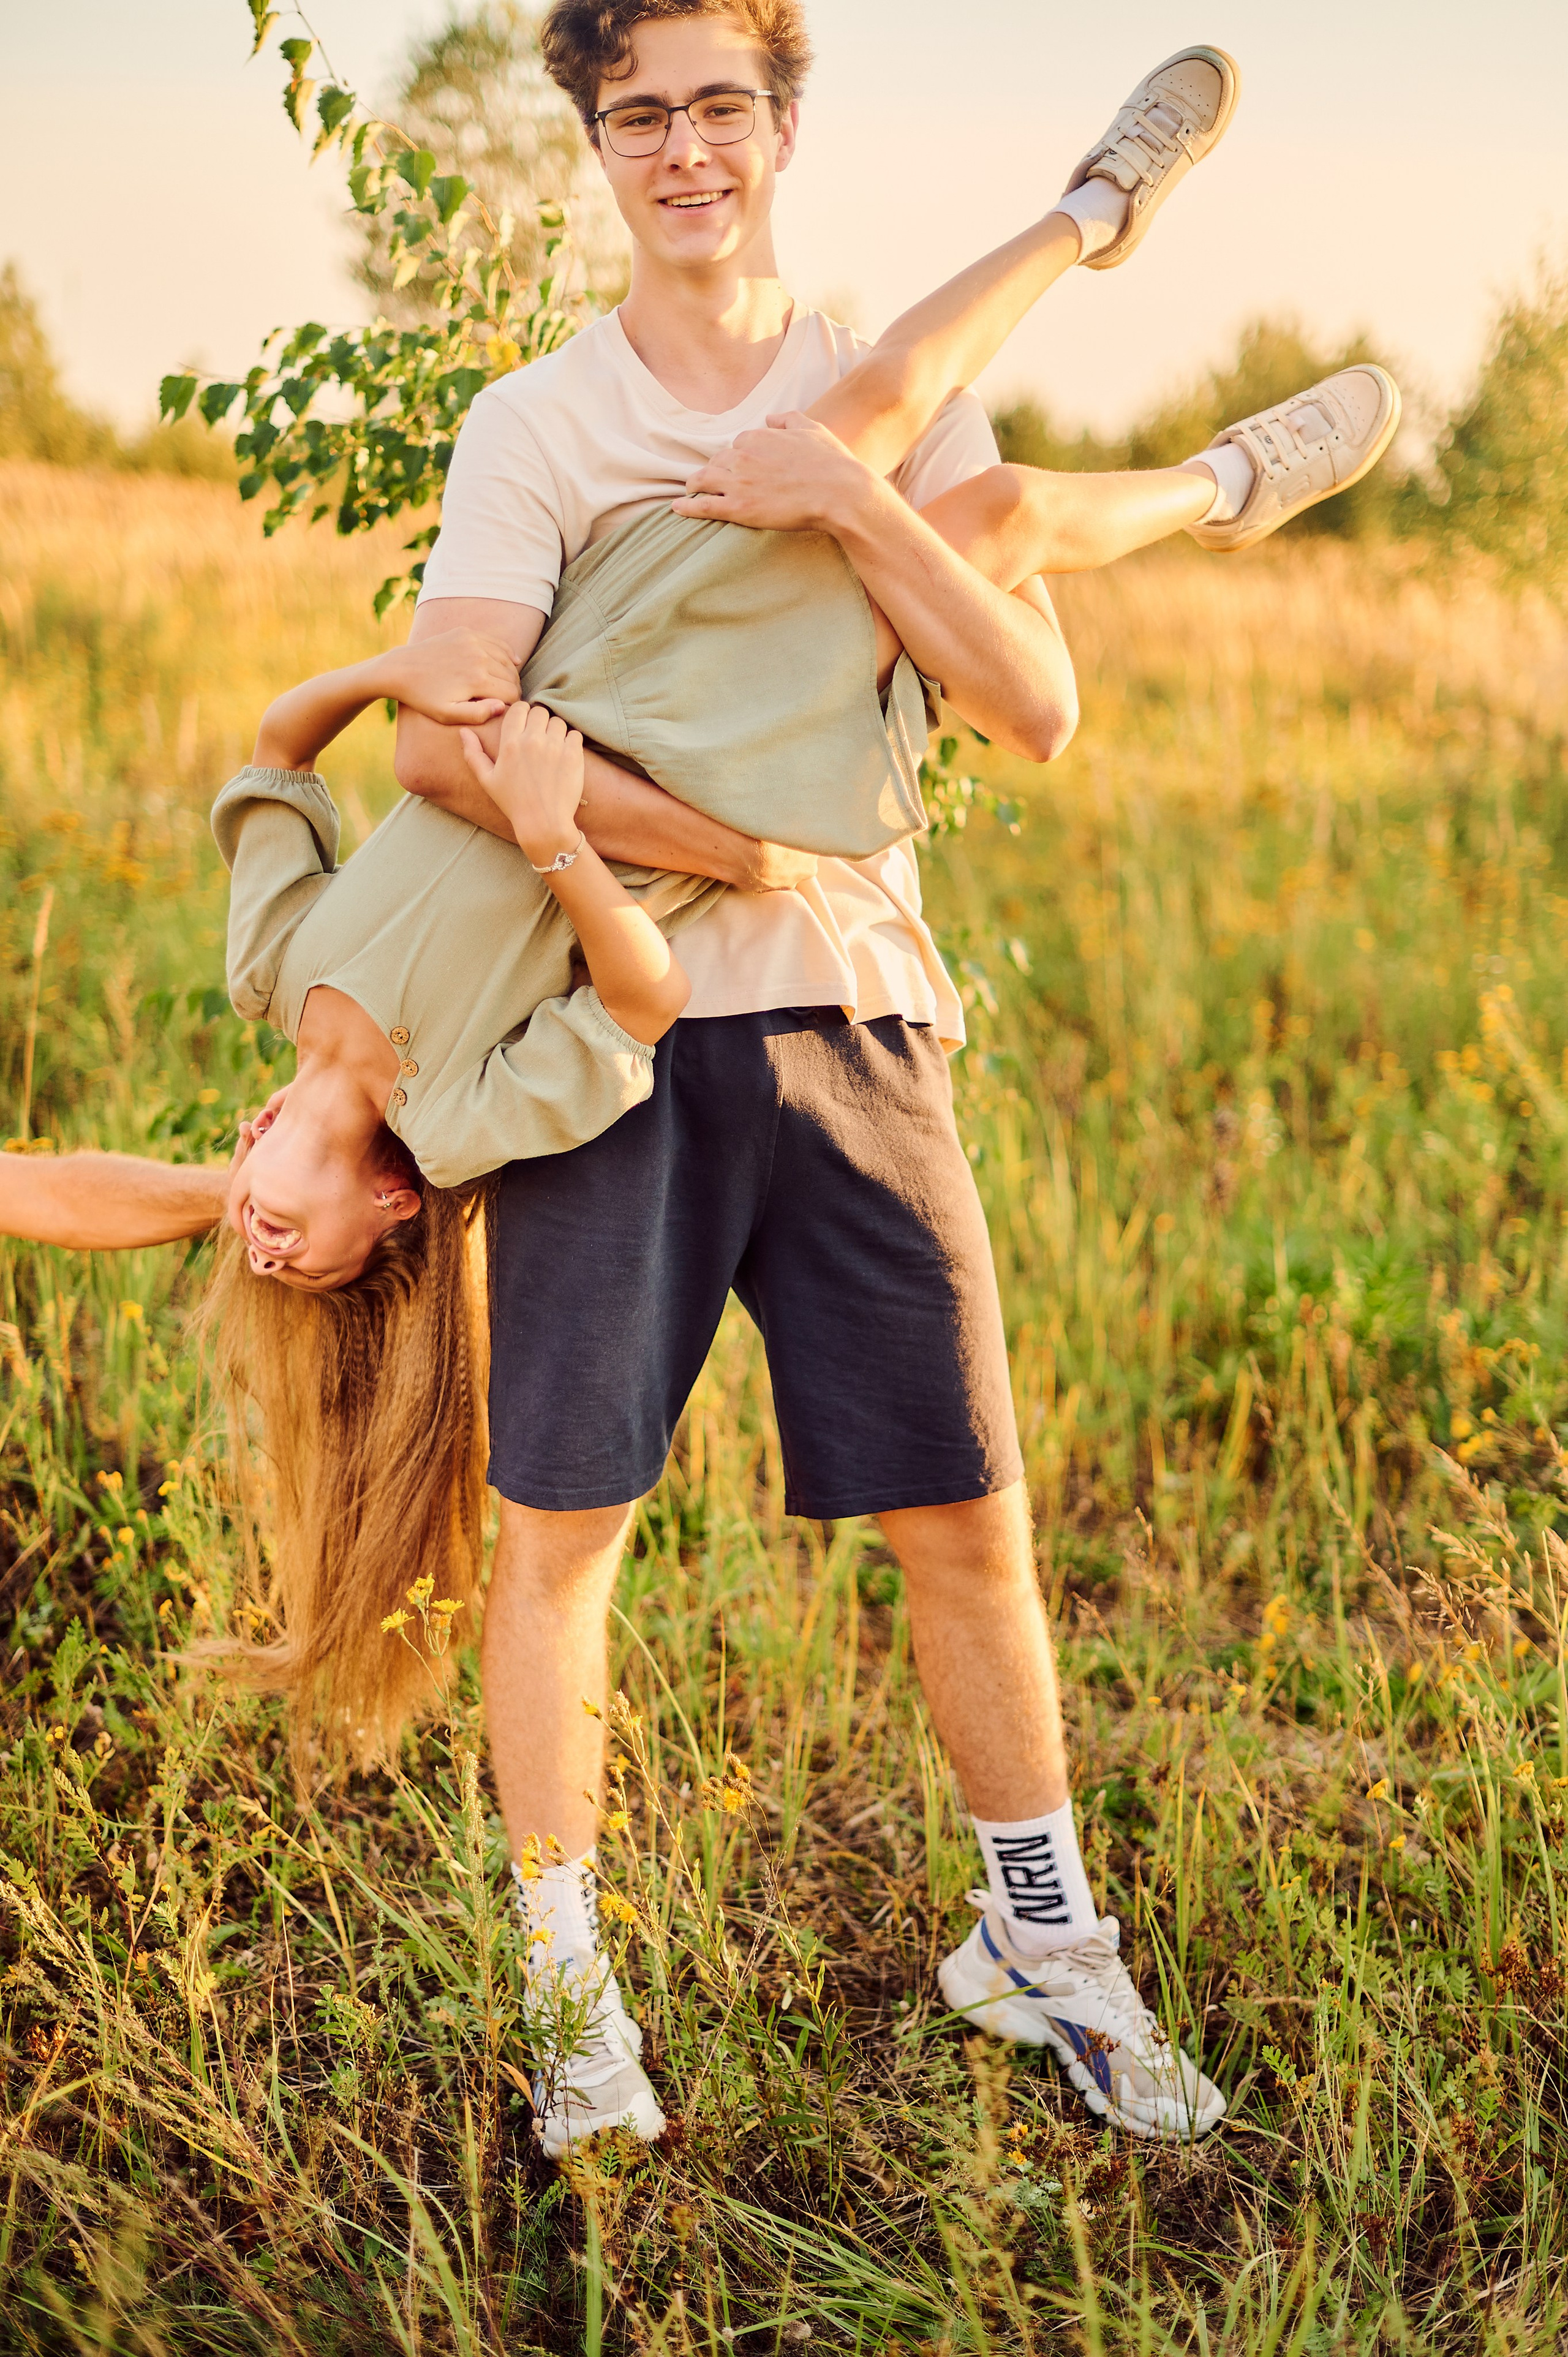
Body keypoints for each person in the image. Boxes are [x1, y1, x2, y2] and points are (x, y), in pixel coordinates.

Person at [389, 9, 1397, 2160]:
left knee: (971, 1518)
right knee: (561, 1534)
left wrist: (848, 494)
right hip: (613, 1035)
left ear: (778, 127)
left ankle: (1043, 1952)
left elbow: (1031, 706)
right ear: (596, 140)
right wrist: (729, 846)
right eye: (640, 113)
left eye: (721, 107)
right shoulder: (532, 426)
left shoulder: (891, 400)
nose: (684, 151)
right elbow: (451, 735)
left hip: (857, 1021)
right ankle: (568, 1988)